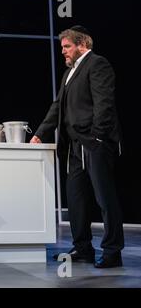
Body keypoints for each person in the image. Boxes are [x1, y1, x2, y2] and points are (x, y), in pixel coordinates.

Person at [30, 25, 123, 268]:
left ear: (83, 45)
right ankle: (83, 248)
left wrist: (98, 137)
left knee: (105, 198)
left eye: (67, 46)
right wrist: (40, 133)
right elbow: (57, 106)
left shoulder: (97, 64)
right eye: (62, 48)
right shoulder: (69, 72)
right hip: (73, 146)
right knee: (76, 200)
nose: (63, 51)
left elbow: (104, 103)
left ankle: (113, 251)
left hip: (93, 143)